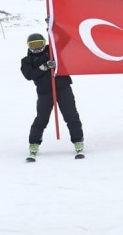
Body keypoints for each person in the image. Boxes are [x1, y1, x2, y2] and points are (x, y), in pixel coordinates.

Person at [20, 33, 84, 161]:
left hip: (63, 88)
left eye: (39, 44)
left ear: (44, 43)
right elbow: (29, 75)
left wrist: (53, 26)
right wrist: (44, 67)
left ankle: (78, 141)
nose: (36, 48)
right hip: (45, 92)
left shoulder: (52, 49)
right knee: (41, 119)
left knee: (71, 115)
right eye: (33, 45)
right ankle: (34, 144)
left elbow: (66, 38)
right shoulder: (27, 61)